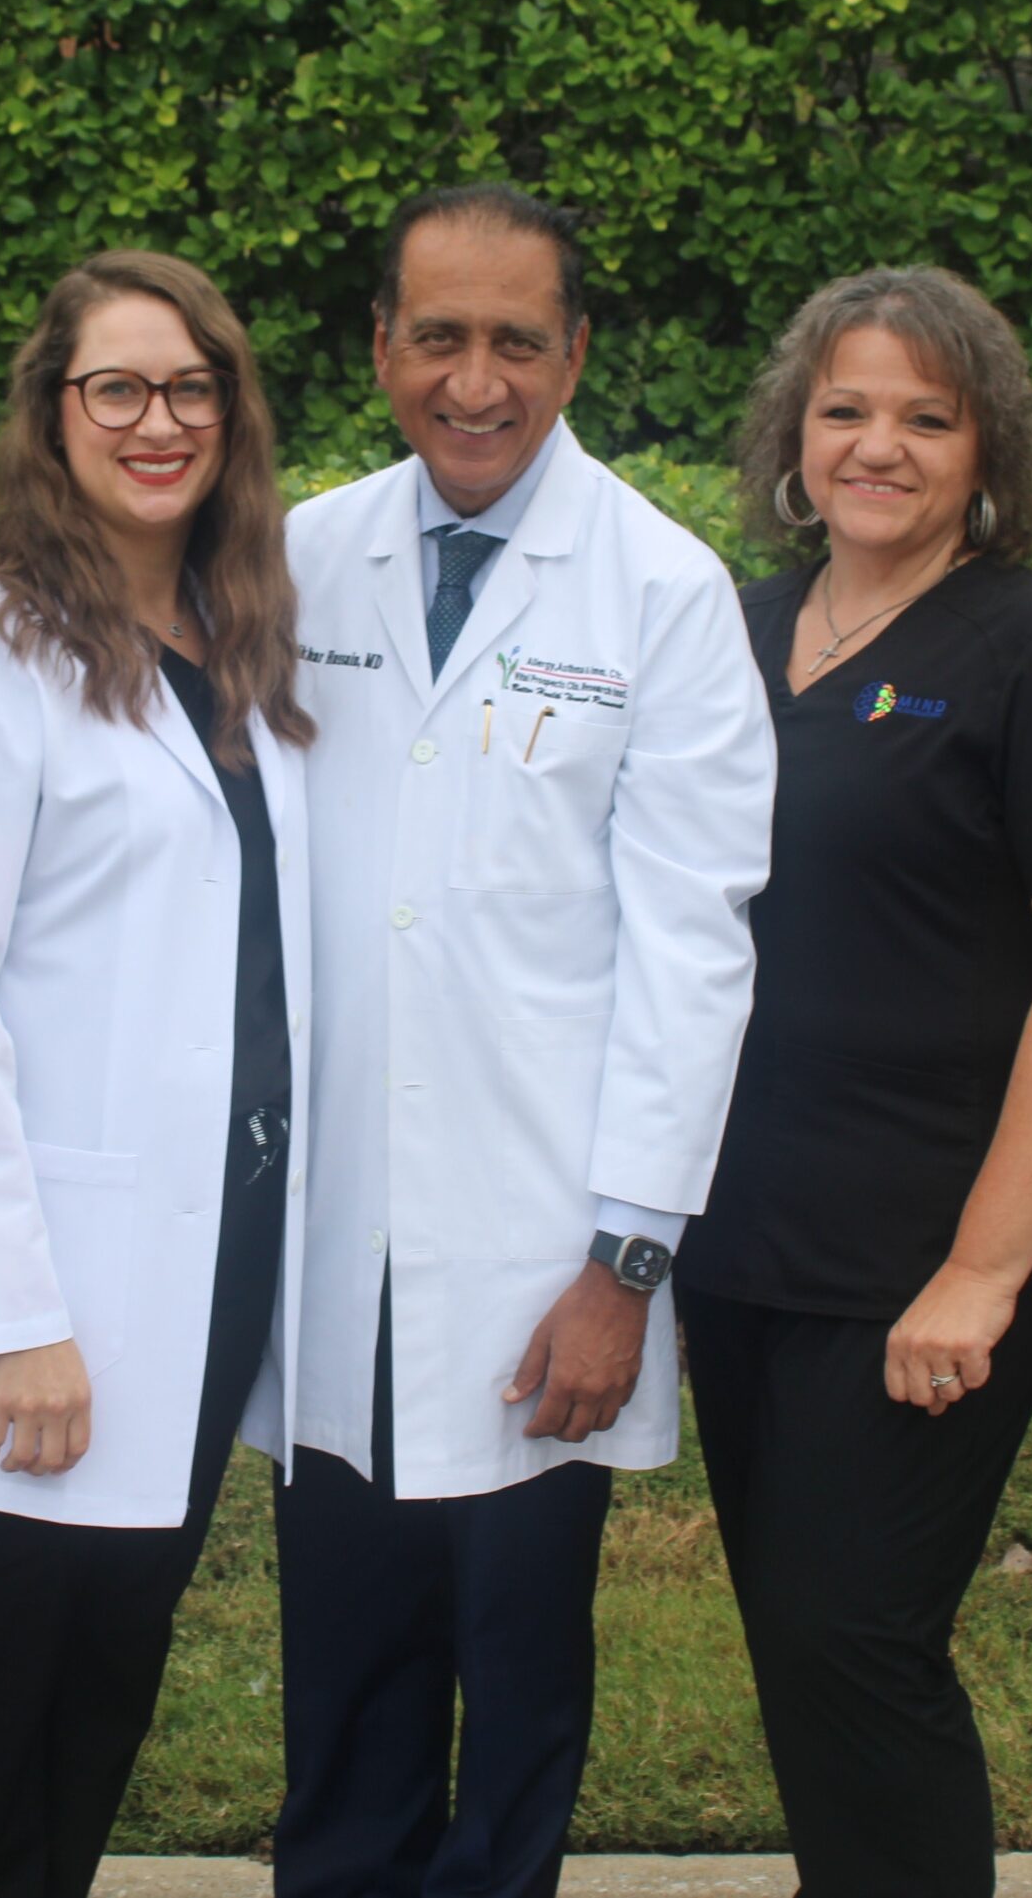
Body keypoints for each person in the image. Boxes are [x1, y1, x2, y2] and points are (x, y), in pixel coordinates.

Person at [277, 183, 775, 1898]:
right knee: (345, 1665)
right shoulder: (302, 555)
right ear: (380, 349)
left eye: (514, 340)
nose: (472, 381)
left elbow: (695, 950)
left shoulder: (663, 590)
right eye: (437, 337)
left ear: (575, 355)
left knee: (517, 1666)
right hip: (341, 1228)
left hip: (545, 1242)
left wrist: (625, 1262)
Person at [673, 266, 1032, 1896]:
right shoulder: (729, 631)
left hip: (931, 1245)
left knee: (858, 1632)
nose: (876, 445)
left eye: (926, 416)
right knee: (798, 1636)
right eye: (844, 409)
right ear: (792, 435)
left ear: (987, 453)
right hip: (738, 1233)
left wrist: (984, 1269)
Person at [0, 249, 314, 1898]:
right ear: (53, 412)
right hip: (55, 1264)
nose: (158, 422)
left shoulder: (243, 638)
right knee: (3, 1667)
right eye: (118, 388)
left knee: (115, 1656)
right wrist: (19, 1315)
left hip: (216, 1245)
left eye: (191, 388)